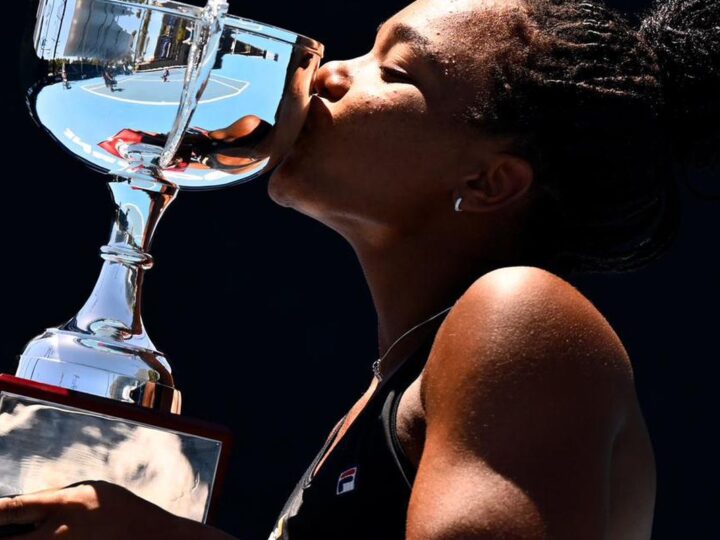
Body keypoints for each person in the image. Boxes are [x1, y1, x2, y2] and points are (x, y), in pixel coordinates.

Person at [1, 0, 718, 538]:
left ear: (489, 182)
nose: (331, 74)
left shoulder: (521, 314)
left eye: (395, 69)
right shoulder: (400, 377)